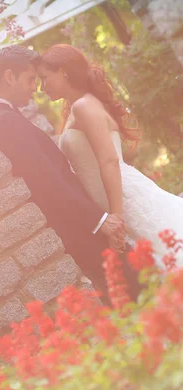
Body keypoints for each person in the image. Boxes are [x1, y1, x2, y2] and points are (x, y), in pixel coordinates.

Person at [0, 45, 141, 304]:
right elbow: (48, 182)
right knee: (136, 293)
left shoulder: (6, 118)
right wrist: (100, 220)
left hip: (88, 224)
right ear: (9, 77)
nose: (35, 87)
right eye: (31, 79)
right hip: (84, 229)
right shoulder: (3, 122)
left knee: (136, 290)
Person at [37, 43, 183, 269]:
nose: (41, 86)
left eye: (45, 78)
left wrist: (116, 217)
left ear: (63, 71)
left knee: (171, 254)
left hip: (123, 199)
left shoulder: (84, 106)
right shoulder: (78, 106)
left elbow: (109, 159)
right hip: (115, 200)